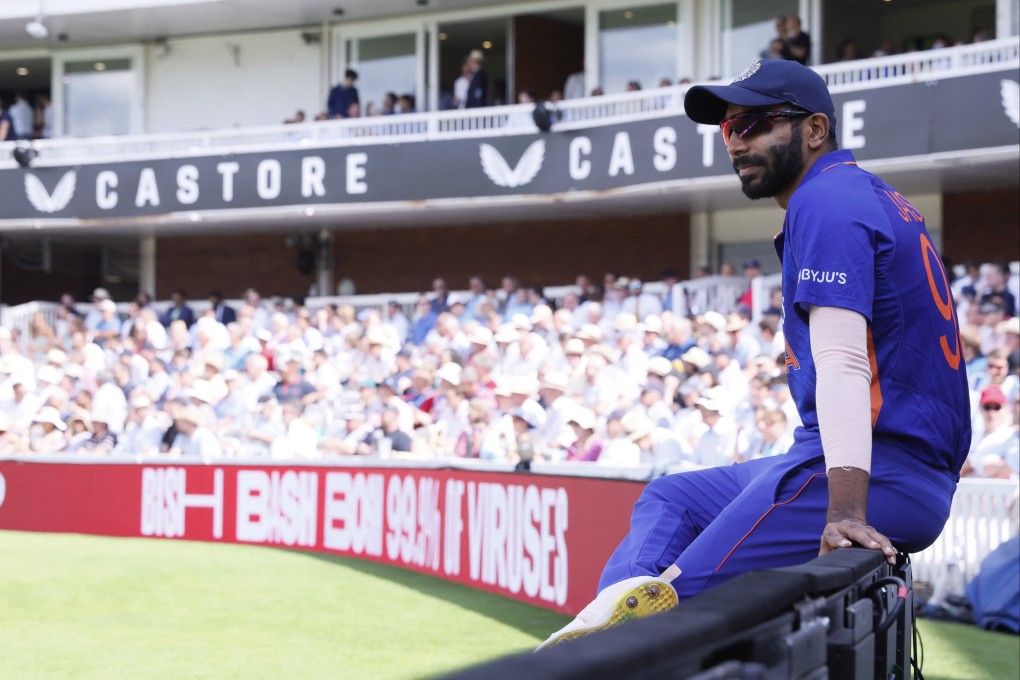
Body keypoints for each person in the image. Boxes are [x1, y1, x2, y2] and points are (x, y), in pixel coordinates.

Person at [539, 58, 971, 648]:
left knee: (673, 624)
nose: (737, 143)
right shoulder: (859, 193)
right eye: (729, 129)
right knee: (672, 496)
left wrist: (845, 511)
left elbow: (845, 362)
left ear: (814, 130)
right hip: (876, 459)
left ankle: (609, 648)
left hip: (878, 470)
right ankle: (609, 618)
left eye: (756, 124)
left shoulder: (825, 200)